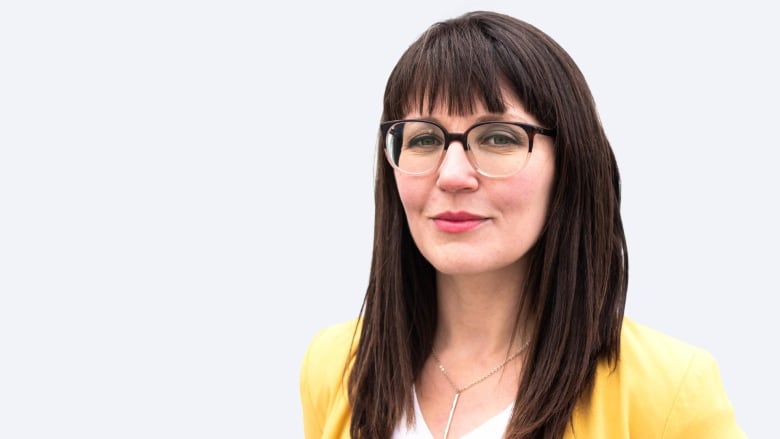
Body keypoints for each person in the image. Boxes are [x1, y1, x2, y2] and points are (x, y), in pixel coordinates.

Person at [299, 10, 745, 439]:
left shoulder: (669, 389)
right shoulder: (336, 365)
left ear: (568, 165)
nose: (452, 174)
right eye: (424, 139)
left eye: (498, 137)